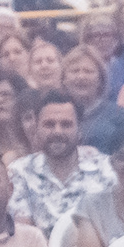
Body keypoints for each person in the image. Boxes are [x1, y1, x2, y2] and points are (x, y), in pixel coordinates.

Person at [10, 97, 117, 235]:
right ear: (36, 129)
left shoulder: (107, 168)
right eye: (49, 124)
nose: (57, 132)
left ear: (80, 129)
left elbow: (114, 228)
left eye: (66, 124)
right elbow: (24, 235)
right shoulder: (20, 171)